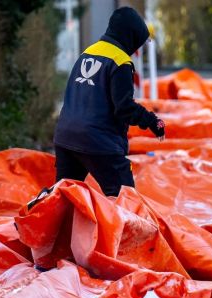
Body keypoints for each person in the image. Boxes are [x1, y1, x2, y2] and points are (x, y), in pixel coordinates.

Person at [53, 6, 164, 197]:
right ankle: (123, 228)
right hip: (98, 141)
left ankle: (48, 226)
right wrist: (152, 121)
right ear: (131, 36)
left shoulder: (88, 52)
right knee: (124, 198)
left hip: (65, 137)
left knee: (63, 199)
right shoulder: (120, 61)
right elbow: (124, 108)